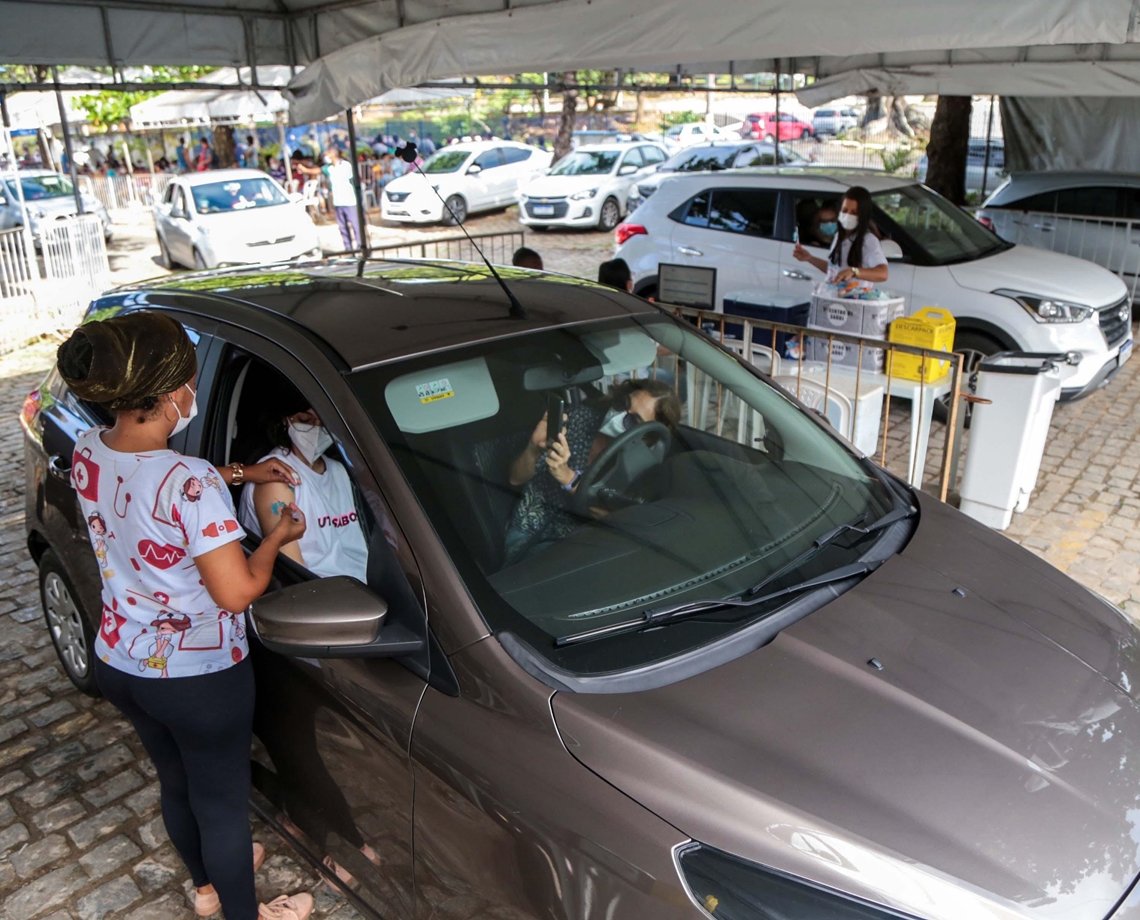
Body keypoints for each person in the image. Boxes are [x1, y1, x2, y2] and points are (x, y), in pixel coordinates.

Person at [54, 311, 315, 920]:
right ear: (175, 394)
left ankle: (204, 890)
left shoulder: (92, 448)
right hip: (199, 676)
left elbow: (148, 486)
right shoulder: (188, 480)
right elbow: (237, 593)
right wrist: (276, 535)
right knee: (222, 804)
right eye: (192, 383)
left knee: (176, 781)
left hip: (121, 659)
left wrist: (242, 474)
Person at [505, 379, 680, 563]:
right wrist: (533, 449)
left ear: (648, 433)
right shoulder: (577, 419)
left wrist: (568, 478)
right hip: (532, 527)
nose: (620, 415)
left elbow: (619, 515)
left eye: (633, 420)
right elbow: (515, 479)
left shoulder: (643, 462)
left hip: (580, 540)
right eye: (624, 404)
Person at [238, 391, 368, 582]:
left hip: (364, 588)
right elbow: (294, 573)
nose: (316, 429)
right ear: (285, 420)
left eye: (324, 422)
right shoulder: (277, 478)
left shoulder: (338, 470)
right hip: (320, 597)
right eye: (305, 420)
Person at [792, 185, 888, 287]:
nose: (848, 216)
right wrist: (810, 258)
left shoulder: (868, 240)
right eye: (845, 210)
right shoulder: (839, 236)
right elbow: (835, 270)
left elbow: (883, 273)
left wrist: (854, 271)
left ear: (862, 215)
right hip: (834, 297)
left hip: (854, 300)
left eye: (854, 213)